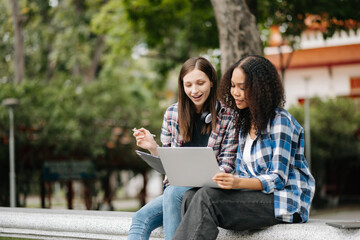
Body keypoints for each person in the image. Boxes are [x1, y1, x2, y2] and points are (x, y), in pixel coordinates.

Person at [172, 55, 316, 240]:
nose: (235, 93)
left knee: (206, 197)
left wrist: (237, 182)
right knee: (191, 196)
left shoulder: (280, 121)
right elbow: (242, 171)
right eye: (233, 86)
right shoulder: (243, 123)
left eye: (243, 87)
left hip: (284, 202)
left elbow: (278, 178)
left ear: (260, 89)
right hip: (253, 196)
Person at [128, 56, 238, 240]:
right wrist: (154, 148)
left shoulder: (229, 117)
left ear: (211, 82)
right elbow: (170, 163)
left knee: (172, 192)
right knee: (140, 218)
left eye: (200, 83)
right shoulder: (172, 113)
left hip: (210, 191)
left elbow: (228, 167)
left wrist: (196, 178)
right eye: (188, 85)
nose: (194, 90)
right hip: (178, 191)